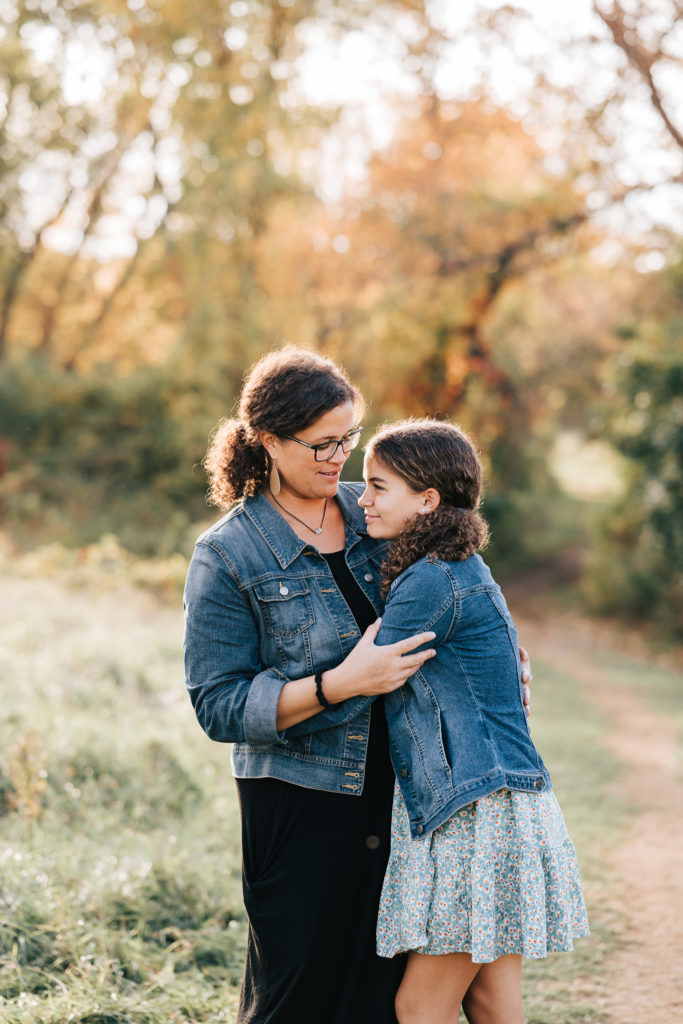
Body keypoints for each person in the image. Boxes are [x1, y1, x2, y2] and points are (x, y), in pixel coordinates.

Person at [183, 347, 532, 1024]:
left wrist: (500, 664)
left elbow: (461, 586)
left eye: (347, 438)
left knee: (386, 993)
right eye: (320, 444)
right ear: (266, 442)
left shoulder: (380, 506)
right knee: (299, 992)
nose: (337, 458)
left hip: (409, 791)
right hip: (302, 801)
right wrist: (339, 685)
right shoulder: (227, 554)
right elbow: (218, 704)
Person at [358, 419, 589, 1024]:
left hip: (475, 813)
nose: (363, 501)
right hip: (502, 799)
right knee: (490, 1000)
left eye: (378, 486)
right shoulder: (458, 565)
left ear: (427, 500)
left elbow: (365, 679)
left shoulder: (430, 579)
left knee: (419, 1005)